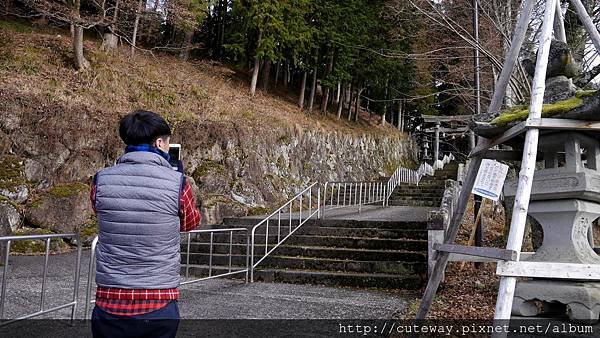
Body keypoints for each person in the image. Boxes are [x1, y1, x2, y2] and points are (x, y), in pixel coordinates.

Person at [89, 110, 201, 338]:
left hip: (110, 299)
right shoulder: (177, 182)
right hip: (158, 299)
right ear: (160, 143)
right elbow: (190, 222)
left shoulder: (101, 179)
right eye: (168, 143)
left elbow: (101, 212)